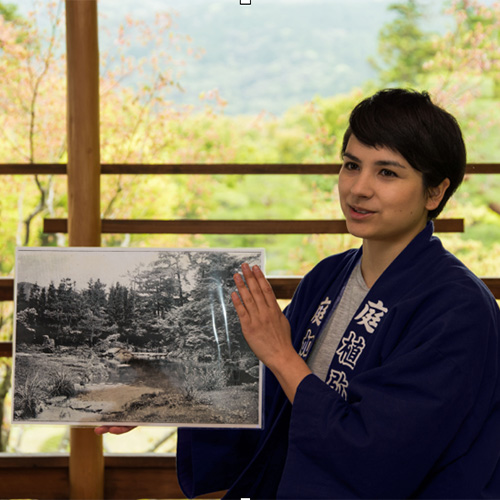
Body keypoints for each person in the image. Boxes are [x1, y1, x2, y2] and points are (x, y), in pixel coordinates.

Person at [97, 89, 500, 499]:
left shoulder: (456, 308)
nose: (358, 188)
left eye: (387, 173)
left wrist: (282, 354)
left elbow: (379, 456)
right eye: (351, 165)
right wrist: (168, 399)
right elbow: (270, 405)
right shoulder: (328, 276)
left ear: (435, 192)